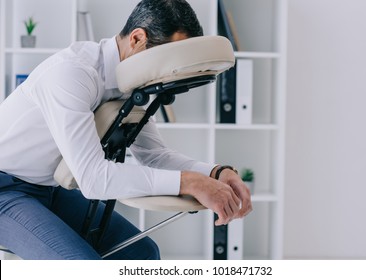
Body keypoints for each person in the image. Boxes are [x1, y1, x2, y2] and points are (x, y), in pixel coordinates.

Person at [0, 0, 252, 260]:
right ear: (137, 39)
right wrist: (189, 182)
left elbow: (155, 156)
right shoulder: (71, 75)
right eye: (170, 59)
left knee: (142, 253)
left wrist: (215, 173)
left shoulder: (132, 83)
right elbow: (94, 179)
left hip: (47, 188)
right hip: (5, 190)